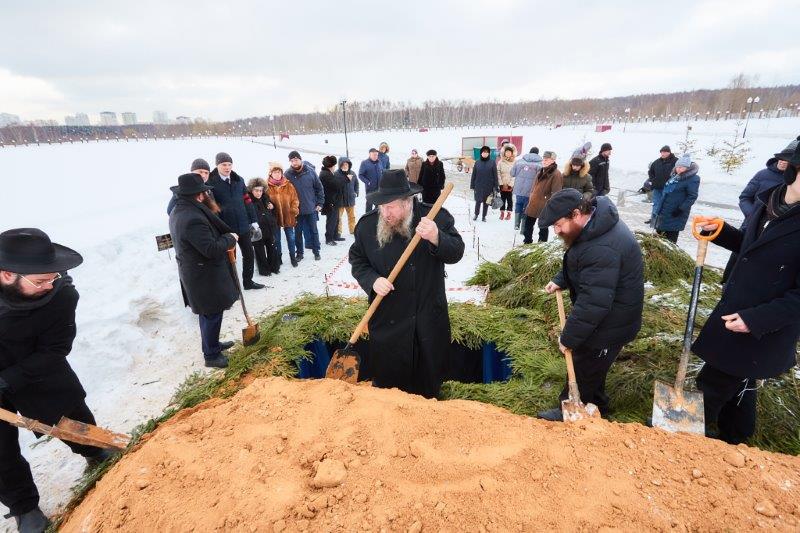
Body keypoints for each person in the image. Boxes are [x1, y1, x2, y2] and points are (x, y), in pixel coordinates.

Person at [0, 228, 115, 533]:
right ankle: (23, 507)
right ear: (7, 274)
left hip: (40, 371)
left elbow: (56, 348)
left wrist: (8, 379)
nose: (50, 284)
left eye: (53, 277)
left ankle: (93, 451)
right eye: (40, 281)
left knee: (69, 416)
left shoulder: (61, 295)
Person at [691, 136, 800, 445]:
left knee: (713, 383)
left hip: (763, 323)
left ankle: (687, 438)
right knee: (742, 378)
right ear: (793, 169)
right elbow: (754, 249)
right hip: (737, 307)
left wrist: (756, 320)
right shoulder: (771, 202)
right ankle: (736, 437)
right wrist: (722, 233)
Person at [349, 170, 465, 398]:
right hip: (388, 321)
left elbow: (456, 252)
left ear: (408, 202)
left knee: (428, 386)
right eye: (382, 206)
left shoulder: (435, 217)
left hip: (426, 319)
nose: (385, 213)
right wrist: (373, 280)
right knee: (389, 390)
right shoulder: (367, 226)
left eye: (391, 207)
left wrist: (437, 237)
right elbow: (358, 260)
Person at [539, 189, 644, 421]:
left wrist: (569, 338)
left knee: (585, 364)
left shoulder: (601, 247)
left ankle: (570, 411)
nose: (557, 231)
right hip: (611, 312)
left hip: (610, 322)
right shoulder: (595, 226)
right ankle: (598, 404)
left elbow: (593, 303)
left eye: (558, 225)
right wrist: (561, 279)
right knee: (596, 365)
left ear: (576, 214)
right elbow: (583, 263)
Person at [169, 173, 240, 369]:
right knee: (211, 313)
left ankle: (212, 344)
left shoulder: (180, 210)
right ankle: (211, 355)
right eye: (204, 192)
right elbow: (210, 248)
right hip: (203, 276)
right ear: (199, 195)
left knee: (209, 313)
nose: (206, 195)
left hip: (199, 272)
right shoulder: (192, 218)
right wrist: (230, 238)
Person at [207, 152, 263, 290]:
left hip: (243, 225)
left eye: (229, 164)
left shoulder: (239, 180)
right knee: (230, 259)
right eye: (224, 164)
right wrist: (218, 227)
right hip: (226, 229)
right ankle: (233, 287)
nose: (227, 167)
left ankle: (248, 282)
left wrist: (253, 220)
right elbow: (212, 209)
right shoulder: (210, 183)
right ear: (217, 165)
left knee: (249, 255)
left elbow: (247, 201)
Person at [738, 139, 796, 229]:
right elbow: (745, 197)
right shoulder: (762, 174)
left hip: (776, 229)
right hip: (750, 225)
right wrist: (752, 215)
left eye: (787, 159)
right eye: (781, 158)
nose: (782, 161)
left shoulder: (795, 181)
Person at [652, 153, 700, 244]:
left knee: (670, 240)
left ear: (687, 168)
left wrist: (681, 209)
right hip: (665, 211)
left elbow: (692, 196)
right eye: (677, 167)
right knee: (660, 237)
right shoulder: (675, 177)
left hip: (676, 213)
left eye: (682, 167)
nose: (679, 169)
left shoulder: (692, 179)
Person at [285, 151, 324, 261]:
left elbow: (319, 188)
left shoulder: (310, 172)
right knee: (298, 233)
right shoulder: (287, 174)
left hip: (311, 208)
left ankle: (316, 252)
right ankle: (299, 253)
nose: (294, 162)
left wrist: (320, 203)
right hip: (296, 210)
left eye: (296, 160)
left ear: (300, 159)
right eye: (292, 160)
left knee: (314, 231)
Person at [523, 151, 563, 243]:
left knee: (543, 227)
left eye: (547, 160)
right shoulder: (541, 171)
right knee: (528, 224)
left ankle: (541, 244)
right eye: (543, 159)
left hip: (545, 205)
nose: (544, 161)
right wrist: (531, 196)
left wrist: (551, 206)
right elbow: (534, 187)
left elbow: (556, 193)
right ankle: (527, 242)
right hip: (534, 203)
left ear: (553, 160)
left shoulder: (556, 174)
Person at [267, 163, 301, 267]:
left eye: (279, 172)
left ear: (282, 173)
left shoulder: (288, 185)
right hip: (275, 217)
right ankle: (279, 258)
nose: (277, 174)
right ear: (271, 173)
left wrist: (293, 209)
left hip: (288, 215)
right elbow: (264, 201)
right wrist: (269, 206)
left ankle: (292, 257)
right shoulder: (267, 187)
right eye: (275, 172)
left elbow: (295, 199)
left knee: (291, 238)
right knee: (277, 240)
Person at [247, 178, 280, 276]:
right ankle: (264, 271)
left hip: (269, 228)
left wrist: (272, 207)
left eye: (260, 190)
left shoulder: (266, 198)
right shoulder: (248, 201)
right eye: (256, 190)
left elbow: (273, 211)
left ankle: (274, 267)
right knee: (259, 251)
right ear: (251, 190)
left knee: (272, 248)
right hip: (257, 230)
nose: (259, 193)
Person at [641, 146, 678, 224]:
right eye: (661, 152)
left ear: (669, 152)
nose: (663, 154)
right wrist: (653, 180)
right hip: (657, 188)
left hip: (669, 189)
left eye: (664, 152)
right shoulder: (657, 162)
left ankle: (664, 221)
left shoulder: (675, 161)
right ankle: (654, 220)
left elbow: (679, 173)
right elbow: (650, 171)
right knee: (656, 204)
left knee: (666, 205)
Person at [511, 147, 542, 232]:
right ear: (538, 153)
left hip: (519, 188)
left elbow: (512, 173)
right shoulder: (540, 164)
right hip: (530, 190)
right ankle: (523, 229)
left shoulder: (519, 161)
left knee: (518, 204)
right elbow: (540, 178)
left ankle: (516, 224)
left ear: (529, 152)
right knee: (526, 208)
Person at [319, 155, 347, 246]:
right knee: (331, 221)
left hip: (334, 201)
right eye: (334, 165)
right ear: (330, 166)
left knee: (336, 220)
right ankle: (329, 239)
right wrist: (346, 179)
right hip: (330, 202)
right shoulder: (325, 174)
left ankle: (335, 236)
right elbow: (336, 184)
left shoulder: (329, 173)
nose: (335, 167)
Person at [470, 146, 499, 222]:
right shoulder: (477, 162)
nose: (485, 153)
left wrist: (496, 186)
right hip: (478, 185)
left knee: (487, 202)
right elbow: (474, 174)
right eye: (483, 152)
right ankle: (476, 214)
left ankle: (484, 216)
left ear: (489, 153)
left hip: (488, 186)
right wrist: (472, 185)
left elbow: (495, 175)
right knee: (478, 201)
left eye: (486, 152)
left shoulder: (492, 162)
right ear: (481, 153)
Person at [336, 157, 359, 238]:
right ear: (340, 165)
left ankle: (352, 230)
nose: (345, 166)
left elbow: (356, 184)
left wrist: (356, 192)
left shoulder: (352, 173)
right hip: (340, 200)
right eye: (343, 164)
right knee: (338, 217)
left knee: (352, 216)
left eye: (346, 164)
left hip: (350, 199)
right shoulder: (336, 174)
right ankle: (338, 232)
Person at [497, 144, 517, 220]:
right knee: (502, 198)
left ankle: (509, 213)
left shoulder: (515, 162)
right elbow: (498, 172)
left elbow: (515, 174)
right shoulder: (500, 161)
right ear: (504, 153)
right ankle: (502, 212)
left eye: (509, 152)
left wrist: (511, 184)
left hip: (510, 184)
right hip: (502, 183)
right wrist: (501, 183)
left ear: (512, 153)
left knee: (509, 199)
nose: (508, 153)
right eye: (506, 152)